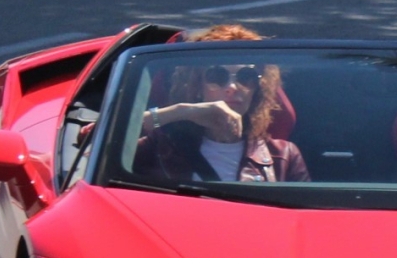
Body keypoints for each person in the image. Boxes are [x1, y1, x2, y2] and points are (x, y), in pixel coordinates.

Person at [132, 23, 308, 184]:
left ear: (257, 89)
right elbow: (109, 137)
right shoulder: (161, 146)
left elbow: (306, 214)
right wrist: (181, 111)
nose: (232, 87)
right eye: (217, 76)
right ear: (198, 86)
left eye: (246, 76)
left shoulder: (284, 156)